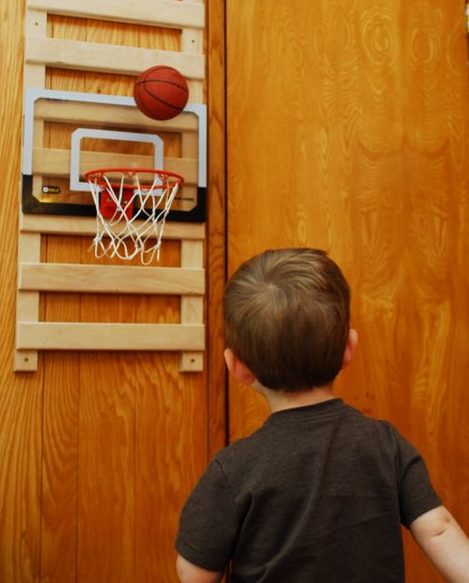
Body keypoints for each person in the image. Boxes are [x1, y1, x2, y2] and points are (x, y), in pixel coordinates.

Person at [175, 248, 469, 582]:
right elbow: (440, 531)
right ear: (349, 348)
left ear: (237, 367)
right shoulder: (387, 445)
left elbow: (194, 572)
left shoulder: (232, 470)